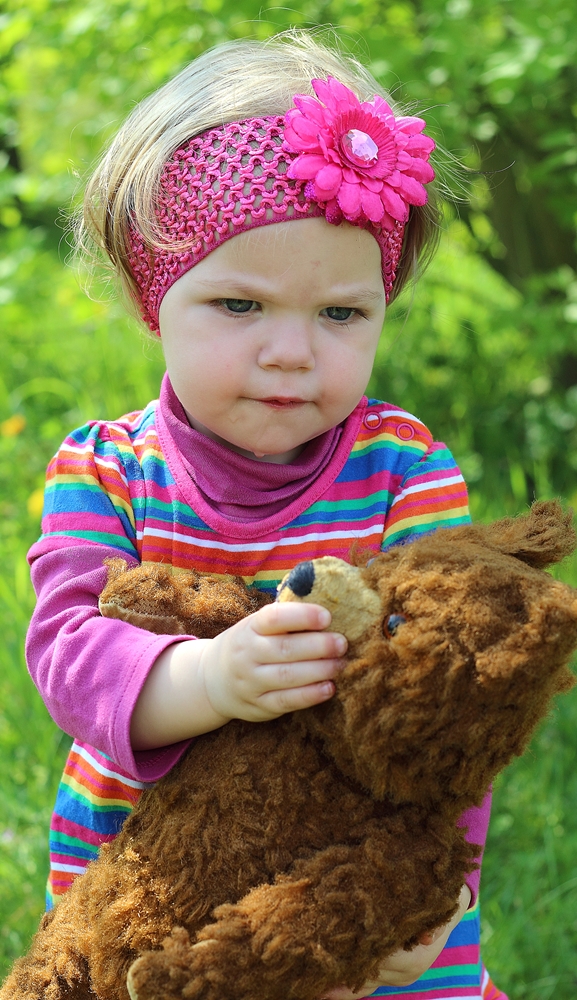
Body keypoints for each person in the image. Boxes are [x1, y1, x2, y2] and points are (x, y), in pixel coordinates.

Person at [26, 30, 506, 1000]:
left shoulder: (403, 469)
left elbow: (454, 694)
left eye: (339, 314)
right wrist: (210, 677)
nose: (291, 351)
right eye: (240, 304)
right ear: (153, 298)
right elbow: (68, 655)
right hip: (154, 879)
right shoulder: (109, 470)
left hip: (351, 877)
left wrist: (434, 895)